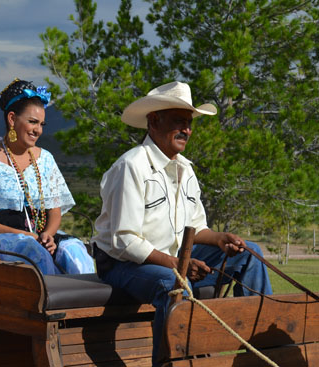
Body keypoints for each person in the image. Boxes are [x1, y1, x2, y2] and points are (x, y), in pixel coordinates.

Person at [92, 81, 272, 367]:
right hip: (123, 265)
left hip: (175, 257)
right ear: (154, 121)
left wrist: (219, 238)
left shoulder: (186, 169)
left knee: (250, 254)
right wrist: (177, 265)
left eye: (188, 123)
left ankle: (264, 351)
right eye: (179, 121)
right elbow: (125, 240)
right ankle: (170, 362)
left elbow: (197, 227)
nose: (186, 130)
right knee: (173, 284)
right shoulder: (131, 166)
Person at [0, 78, 95, 275]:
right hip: (1, 236)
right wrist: (22, 234)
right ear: (12, 119)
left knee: (73, 249)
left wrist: (48, 236)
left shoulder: (46, 159)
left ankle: (86, 303)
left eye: (42, 124)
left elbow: (54, 212)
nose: (38, 130)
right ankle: (48, 304)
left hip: (39, 235)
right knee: (33, 251)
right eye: (33, 122)